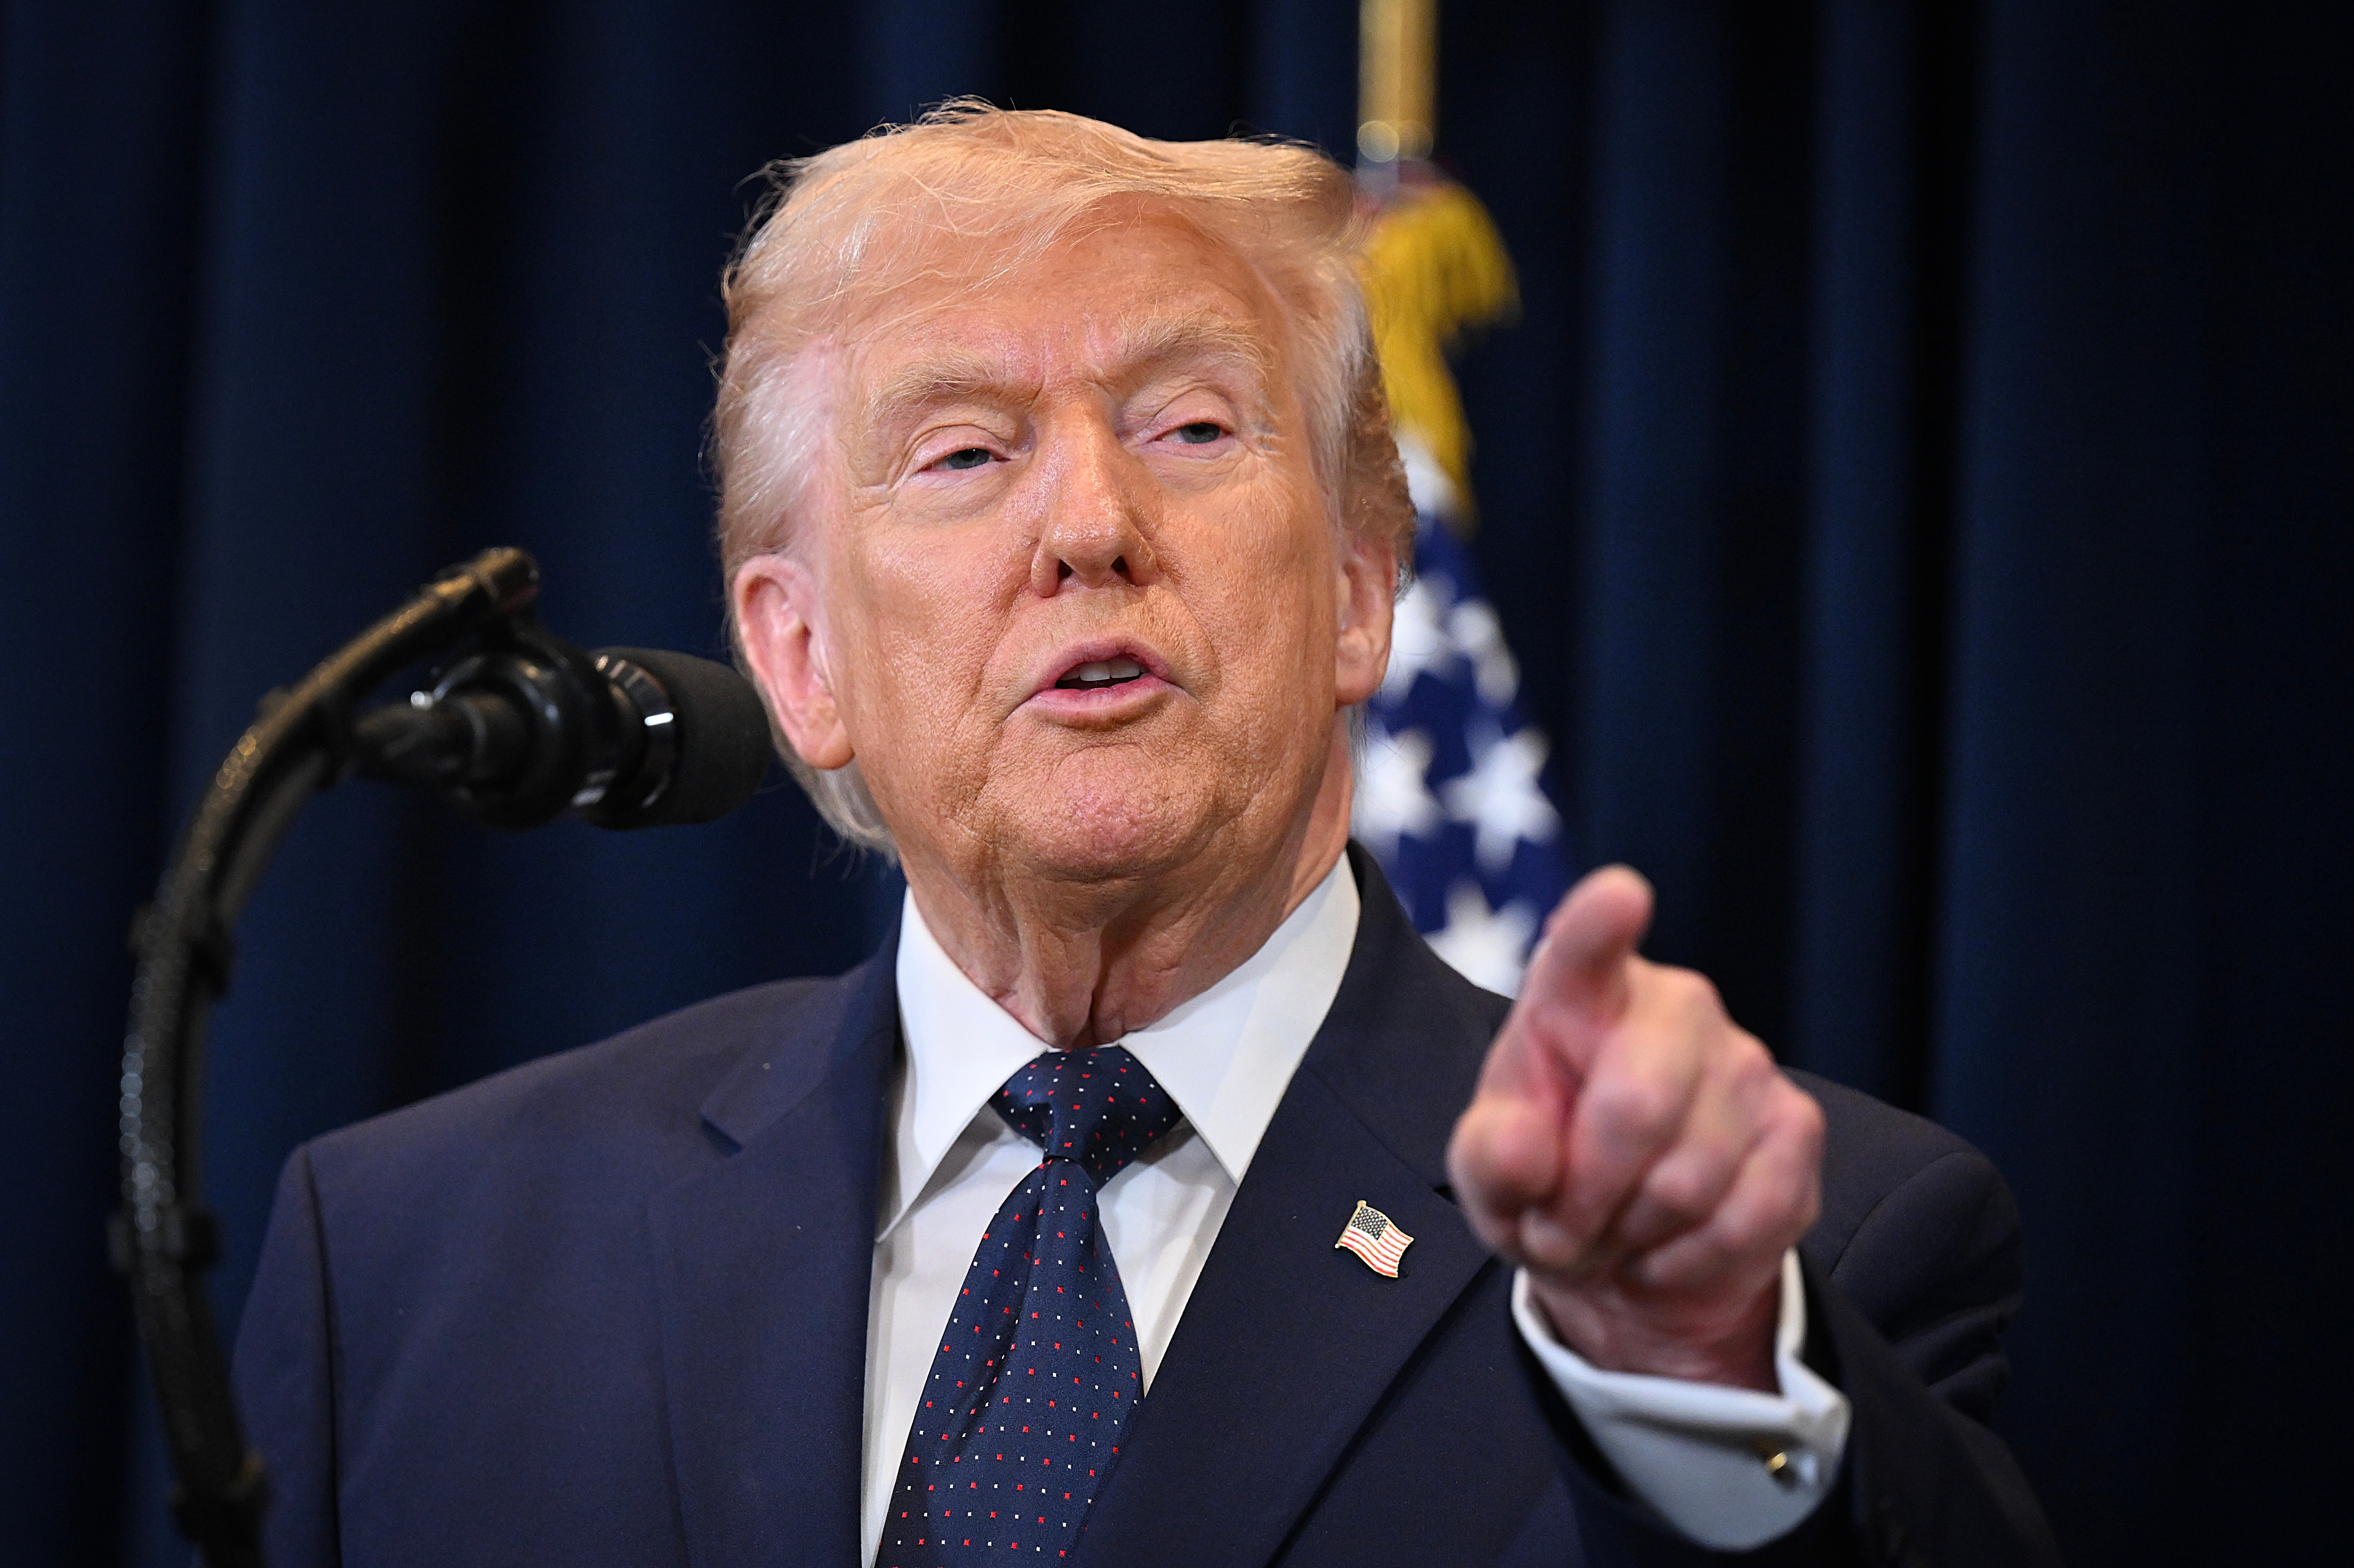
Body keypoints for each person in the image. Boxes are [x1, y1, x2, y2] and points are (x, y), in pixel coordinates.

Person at [235, 106, 2058, 1566]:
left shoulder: (1778, 1270)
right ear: (798, 658)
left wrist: (1691, 1381)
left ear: (1358, 591)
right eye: (962, 453)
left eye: (1190, 426)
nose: (1091, 523)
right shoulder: (410, 1262)